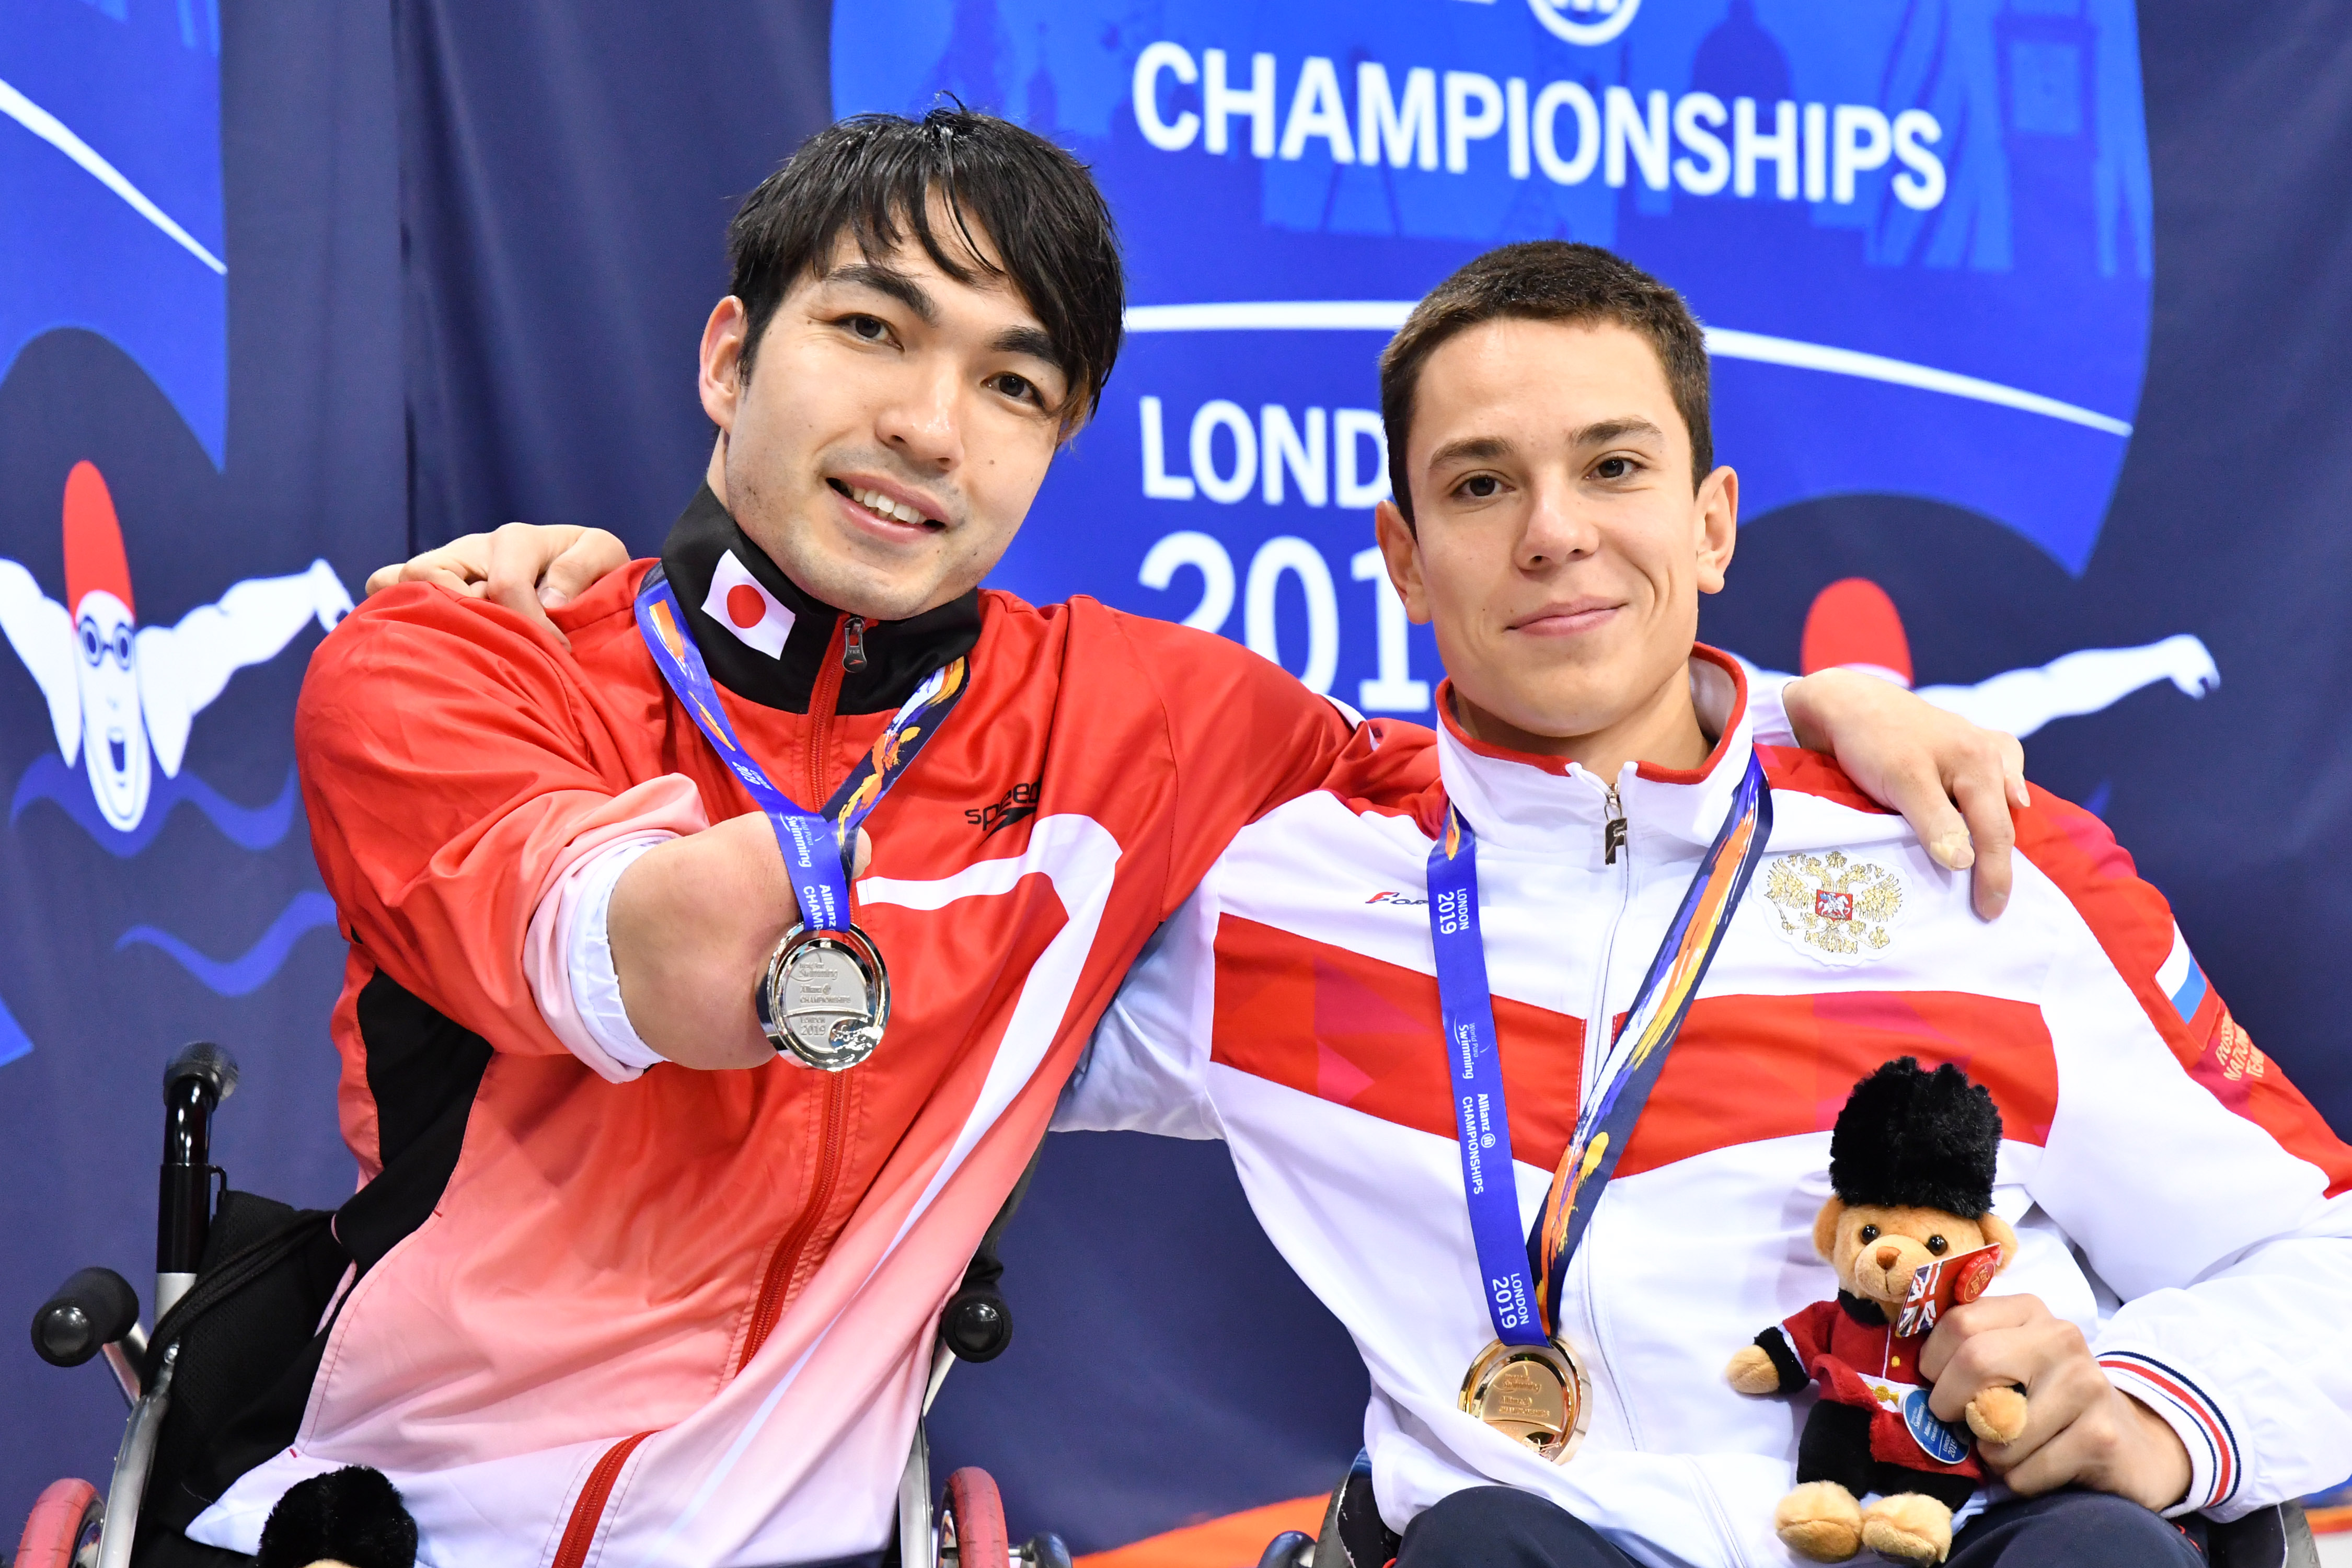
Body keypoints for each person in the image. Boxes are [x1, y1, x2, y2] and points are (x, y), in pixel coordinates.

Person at [251, 113, 2021, 1567]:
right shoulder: (462, 651)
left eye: (1013, 385)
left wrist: (1792, 709)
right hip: (396, 1524)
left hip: (814, 1543)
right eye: (869, 330)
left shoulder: (1138, 715)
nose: (927, 427)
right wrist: (691, 698)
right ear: (732, 356)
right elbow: (639, 945)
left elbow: (1528, 761)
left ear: (1059, 445)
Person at [1054, 243, 2352, 1566]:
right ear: (1404, 555)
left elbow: (2324, 1255)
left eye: (1614, 467)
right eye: (1482, 483)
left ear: (1712, 524)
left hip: (1944, 1527)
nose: (1554, 530)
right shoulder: (1281, 891)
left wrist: (2162, 1413)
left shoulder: (1974, 854)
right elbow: (929, 1034)